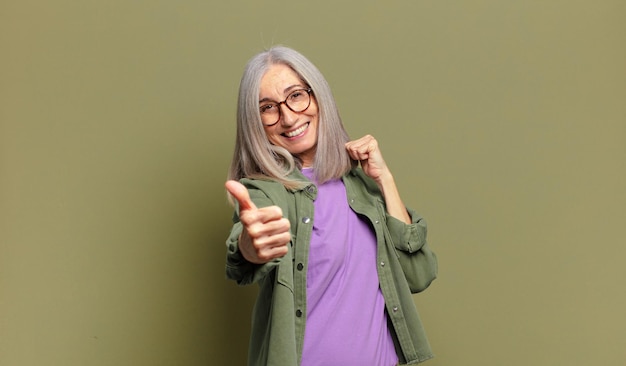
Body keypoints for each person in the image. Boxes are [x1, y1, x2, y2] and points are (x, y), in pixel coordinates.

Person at [224, 46, 438, 366]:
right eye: (268, 107)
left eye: (296, 95)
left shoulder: (361, 182)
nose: (288, 116)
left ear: (318, 95)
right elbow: (245, 252)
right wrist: (250, 247)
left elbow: (418, 276)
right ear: (255, 122)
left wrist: (386, 180)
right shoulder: (265, 193)